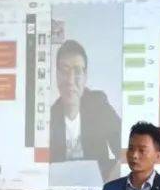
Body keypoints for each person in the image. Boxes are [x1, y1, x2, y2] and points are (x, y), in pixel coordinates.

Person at [49, 40, 122, 179]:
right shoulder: (49, 117)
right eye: (64, 71)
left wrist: (110, 183)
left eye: (77, 71)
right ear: (57, 75)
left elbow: (127, 149)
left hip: (99, 187)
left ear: (85, 76)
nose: (70, 80)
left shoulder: (99, 104)